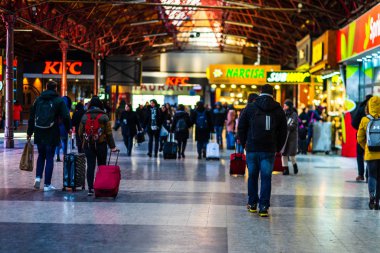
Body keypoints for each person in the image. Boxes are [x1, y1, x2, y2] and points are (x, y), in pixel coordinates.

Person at [238, 84, 287, 217]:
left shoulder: (250, 107)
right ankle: (264, 207)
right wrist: (278, 147)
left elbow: (241, 127)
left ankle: (252, 204)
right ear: (273, 94)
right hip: (269, 149)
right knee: (266, 177)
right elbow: (283, 131)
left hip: (252, 148)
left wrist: (244, 144)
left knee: (252, 176)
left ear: (260, 92)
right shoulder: (278, 109)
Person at [27, 81, 70, 192]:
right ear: (55, 88)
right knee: (50, 157)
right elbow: (66, 116)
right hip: (51, 132)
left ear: (46, 88)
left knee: (41, 155)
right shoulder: (58, 100)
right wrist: (68, 128)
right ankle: (47, 184)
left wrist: (29, 132)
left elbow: (31, 117)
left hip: (39, 131)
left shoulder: (38, 100)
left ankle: (37, 178)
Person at [79, 96, 117, 196]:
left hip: (88, 144)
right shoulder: (104, 116)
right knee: (101, 166)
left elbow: (80, 132)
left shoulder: (85, 116)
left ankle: (90, 189)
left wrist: (84, 141)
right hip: (101, 144)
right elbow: (109, 133)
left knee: (90, 166)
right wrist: (112, 146)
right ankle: (100, 186)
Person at [357, 96, 380, 210]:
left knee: (372, 175)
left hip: (370, 154)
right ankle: (378, 202)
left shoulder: (365, 120)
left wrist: (367, 147)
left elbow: (360, 138)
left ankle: (372, 197)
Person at [352, 94, 372, 182]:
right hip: (373, 136)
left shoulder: (361, 108)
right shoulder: (376, 110)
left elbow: (354, 122)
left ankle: (361, 174)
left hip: (362, 135)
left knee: (360, 154)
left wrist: (360, 128)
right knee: (371, 154)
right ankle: (368, 175)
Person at [281, 100, 299, 175]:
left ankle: (294, 165)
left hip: (291, 137)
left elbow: (294, 125)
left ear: (289, 106)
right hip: (284, 137)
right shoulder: (283, 114)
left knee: (292, 155)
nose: (284, 107)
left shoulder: (294, 114)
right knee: (284, 154)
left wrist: (285, 126)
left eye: (285, 105)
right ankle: (285, 169)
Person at [55, 96, 72, 161]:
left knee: (58, 142)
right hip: (64, 127)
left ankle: (58, 156)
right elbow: (68, 119)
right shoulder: (67, 109)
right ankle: (65, 155)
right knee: (64, 142)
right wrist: (69, 128)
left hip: (57, 127)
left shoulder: (57, 107)